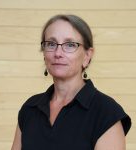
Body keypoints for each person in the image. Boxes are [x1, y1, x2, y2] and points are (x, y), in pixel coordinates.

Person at [11, 14, 131, 150]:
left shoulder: (107, 113)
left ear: (87, 55)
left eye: (70, 45)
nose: (58, 53)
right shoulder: (30, 109)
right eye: (51, 44)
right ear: (44, 54)